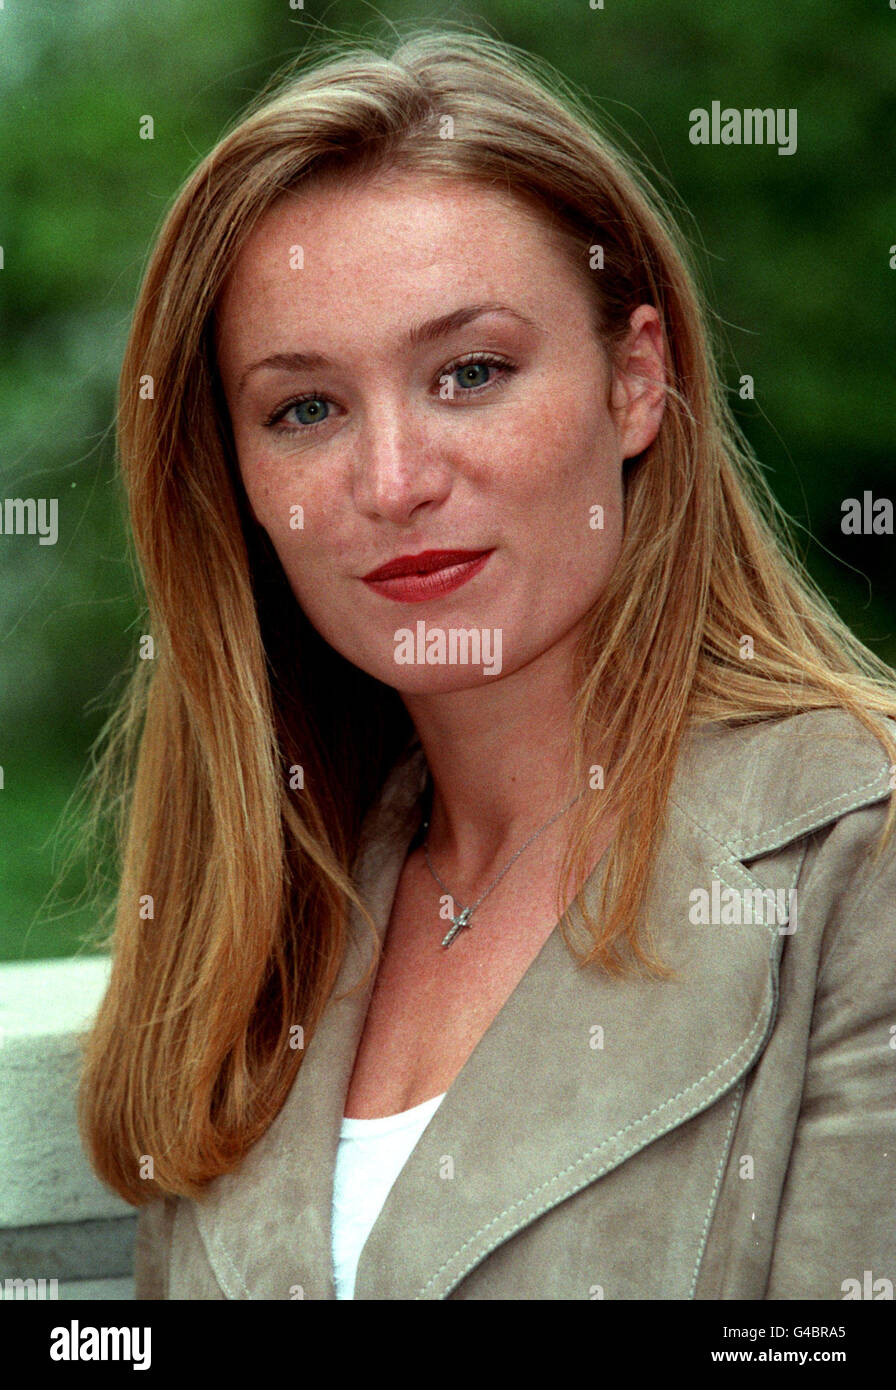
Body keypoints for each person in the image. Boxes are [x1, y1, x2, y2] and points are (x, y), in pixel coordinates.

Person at [77, 29, 896, 1301]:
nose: (393, 482)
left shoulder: (857, 859)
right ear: (233, 478)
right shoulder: (255, 911)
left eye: (469, 372)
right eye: (305, 408)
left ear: (636, 379)